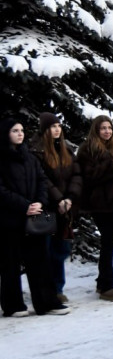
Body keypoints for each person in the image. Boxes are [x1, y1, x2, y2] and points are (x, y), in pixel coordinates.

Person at [0, 118, 70, 316]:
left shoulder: (29, 157)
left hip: (33, 218)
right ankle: (13, 305)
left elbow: (42, 181)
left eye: (22, 130)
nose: (20, 134)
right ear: (6, 133)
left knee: (40, 261)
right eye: (15, 130)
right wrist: (25, 206)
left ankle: (47, 302)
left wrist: (39, 202)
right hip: (10, 219)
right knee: (10, 263)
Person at [76, 115, 113, 302]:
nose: (107, 131)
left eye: (109, 128)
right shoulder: (87, 149)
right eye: (103, 128)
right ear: (96, 130)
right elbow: (88, 177)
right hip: (99, 204)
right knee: (108, 240)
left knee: (110, 242)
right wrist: (111, 164)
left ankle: (103, 280)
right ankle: (107, 284)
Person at [30, 112, 82, 305]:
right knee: (47, 250)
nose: (57, 129)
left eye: (59, 126)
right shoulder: (37, 151)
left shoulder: (66, 149)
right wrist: (59, 199)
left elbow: (77, 175)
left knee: (61, 248)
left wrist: (70, 198)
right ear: (45, 129)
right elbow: (43, 179)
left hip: (65, 208)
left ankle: (58, 288)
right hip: (48, 207)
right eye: (53, 126)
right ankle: (48, 289)